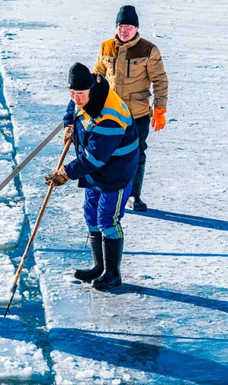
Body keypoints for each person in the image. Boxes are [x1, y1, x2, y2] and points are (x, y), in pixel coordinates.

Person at [46, 63, 139, 290]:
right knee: (91, 213)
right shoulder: (84, 93)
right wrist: (69, 123)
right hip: (94, 170)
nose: (76, 99)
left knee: (108, 219)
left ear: (90, 89)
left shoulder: (110, 116)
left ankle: (113, 274)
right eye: (73, 94)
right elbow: (73, 107)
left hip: (115, 171)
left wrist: (66, 173)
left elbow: (96, 158)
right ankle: (99, 266)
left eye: (80, 95)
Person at [92, 5, 169, 212]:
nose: (123, 30)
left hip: (137, 114)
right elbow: (97, 77)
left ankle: (134, 196)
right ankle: (108, 191)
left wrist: (160, 109)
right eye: (120, 26)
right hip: (110, 114)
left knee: (136, 154)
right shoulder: (106, 47)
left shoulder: (148, 49)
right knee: (106, 152)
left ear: (136, 28)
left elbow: (160, 81)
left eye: (128, 26)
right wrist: (89, 102)